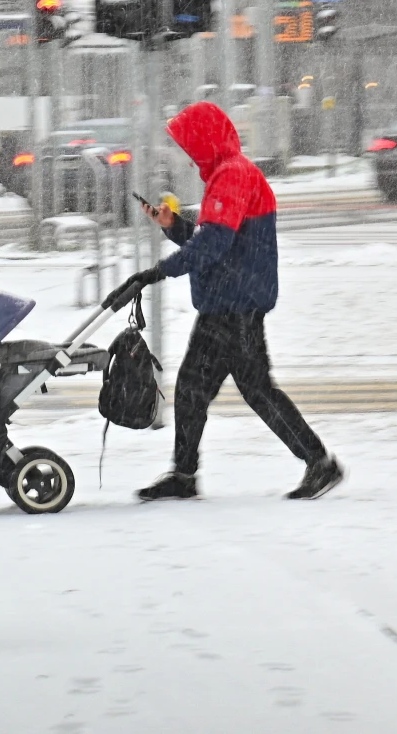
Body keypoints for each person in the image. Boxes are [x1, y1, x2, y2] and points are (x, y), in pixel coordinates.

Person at [106, 101, 345, 502]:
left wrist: (157, 272)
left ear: (205, 140)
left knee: (251, 391)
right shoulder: (226, 174)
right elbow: (215, 241)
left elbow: (214, 244)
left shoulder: (232, 175)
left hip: (235, 306)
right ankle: (184, 474)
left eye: (189, 143)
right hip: (226, 303)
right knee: (195, 389)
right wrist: (175, 226)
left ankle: (319, 463)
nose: (187, 152)